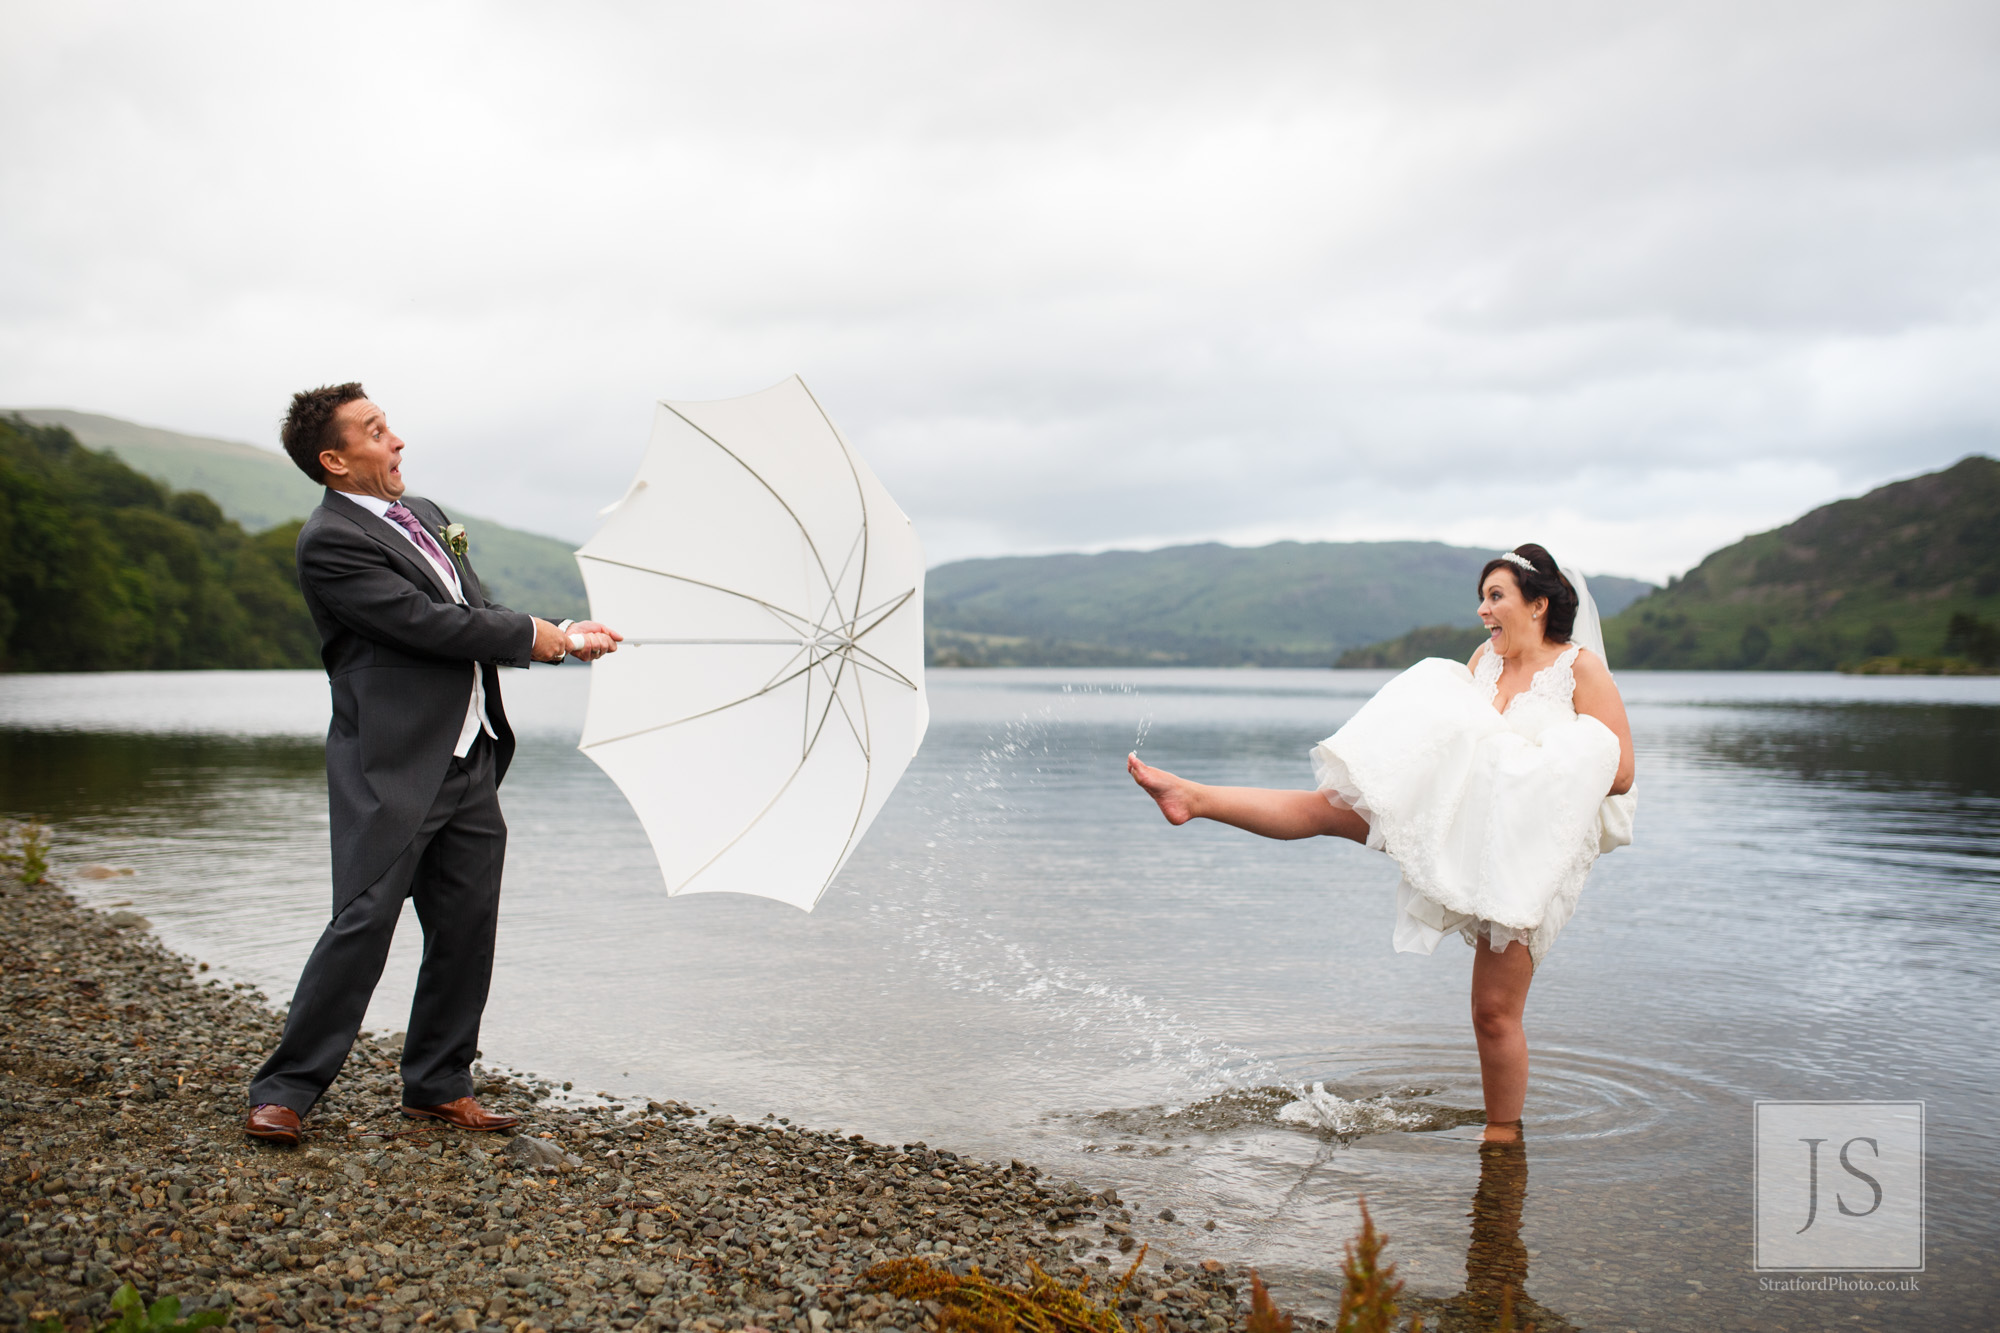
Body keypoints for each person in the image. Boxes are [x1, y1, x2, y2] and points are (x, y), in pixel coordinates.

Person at [1128, 544, 1635, 1142]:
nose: (1482, 610)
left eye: (1495, 596)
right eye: (1482, 597)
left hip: (1529, 855)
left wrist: (1526, 765)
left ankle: (1503, 1140)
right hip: (1459, 824)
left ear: (1538, 604)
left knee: (1493, 1013)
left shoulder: (1579, 669)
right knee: (1327, 809)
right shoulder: (1484, 663)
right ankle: (1193, 798)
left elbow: (1620, 772)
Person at [245, 382, 621, 1145]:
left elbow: (469, 613)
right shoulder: (329, 541)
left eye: (388, 426)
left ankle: (438, 1083)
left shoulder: (428, 516)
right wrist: (536, 635)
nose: (397, 440)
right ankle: (285, 1088)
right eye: (376, 431)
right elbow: (423, 624)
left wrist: (564, 634)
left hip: (470, 753)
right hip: (391, 761)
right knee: (363, 921)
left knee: (465, 925)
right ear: (335, 460)